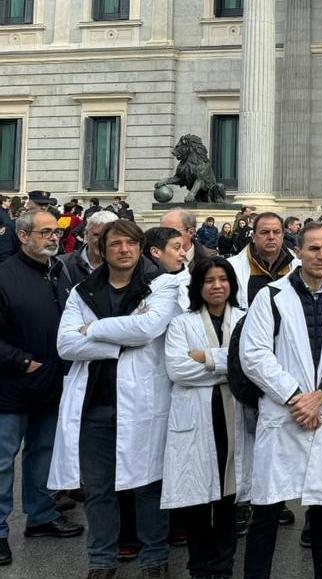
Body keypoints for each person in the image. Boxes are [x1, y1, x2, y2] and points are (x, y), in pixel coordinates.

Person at [52, 219, 189, 578]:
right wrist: (118, 345)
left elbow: (147, 329)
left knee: (147, 485)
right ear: (103, 249)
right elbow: (66, 345)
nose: (124, 250)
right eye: (116, 244)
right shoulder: (83, 290)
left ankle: (154, 559)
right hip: (95, 405)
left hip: (144, 403)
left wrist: (93, 330)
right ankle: (101, 560)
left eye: (131, 243)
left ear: (140, 247)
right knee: (98, 490)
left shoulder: (162, 285)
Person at [239, 222, 322, 579]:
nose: (321, 256)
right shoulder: (271, 296)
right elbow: (255, 355)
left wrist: (320, 396)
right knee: (266, 510)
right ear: (298, 251)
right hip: (284, 415)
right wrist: (297, 399)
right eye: (314, 248)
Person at [0, 211, 86, 565]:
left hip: (52, 385)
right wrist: (21, 361)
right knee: (3, 462)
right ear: (23, 237)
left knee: (43, 454)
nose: (54, 238)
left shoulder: (60, 272)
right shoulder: (4, 275)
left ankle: (40, 516)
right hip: (11, 387)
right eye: (46, 232)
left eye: (56, 231)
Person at [160, 258, 245, 579]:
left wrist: (206, 357)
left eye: (223, 279)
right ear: (198, 286)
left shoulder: (244, 319)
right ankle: (199, 567)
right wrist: (227, 367)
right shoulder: (182, 324)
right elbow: (177, 369)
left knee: (228, 498)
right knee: (195, 500)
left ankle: (223, 567)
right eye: (209, 280)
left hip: (233, 418)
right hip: (195, 419)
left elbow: (249, 366)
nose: (217, 286)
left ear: (231, 284)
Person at [227, 213, 301, 311]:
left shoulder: (298, 266)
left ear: (283, 236)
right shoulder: (231, 267)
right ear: (253, 236)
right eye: (265, 232)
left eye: (276, 232)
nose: (271, 237)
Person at [58, 210, 118, 286]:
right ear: (86, 234)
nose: (102, 241)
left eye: (108, 235)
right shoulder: (62, 264)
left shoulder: (125, 266)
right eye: (96, 235)